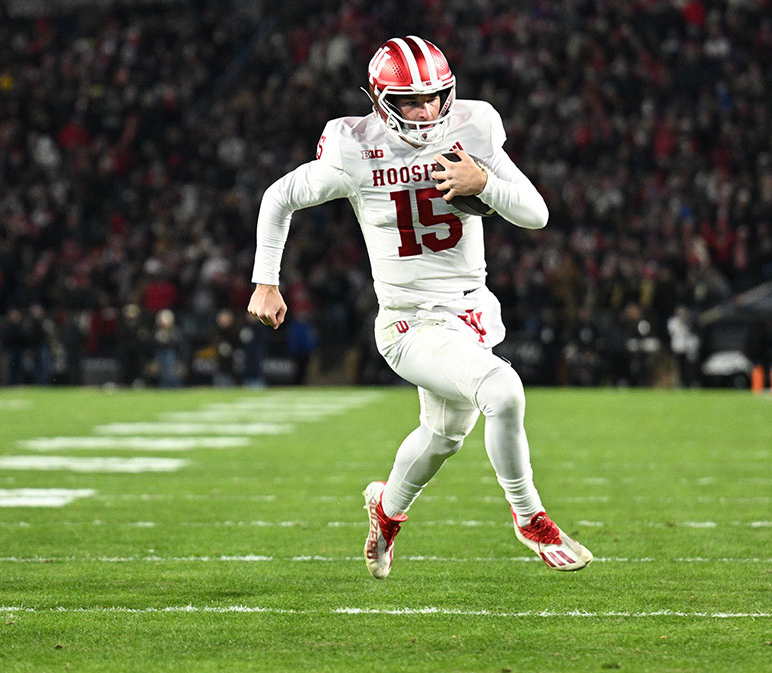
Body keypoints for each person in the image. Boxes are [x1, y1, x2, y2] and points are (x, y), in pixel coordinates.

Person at [246, 36, 592, 578]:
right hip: (410, 322)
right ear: (381, 99)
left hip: (470, 313)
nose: (426, 110)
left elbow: (537, 214)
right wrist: (265, 281)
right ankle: (531, 519)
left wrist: (485, 184)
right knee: (502, 391)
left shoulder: (473, 128)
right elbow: (278, 197)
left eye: (434, 96)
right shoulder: (353, 147)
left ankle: (386, 513)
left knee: (443, 437)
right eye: (410, 100)